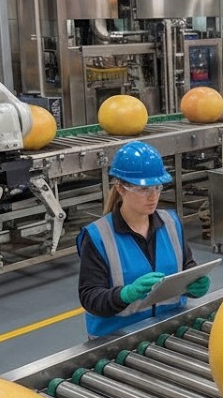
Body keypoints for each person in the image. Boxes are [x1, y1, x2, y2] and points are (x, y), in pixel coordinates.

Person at [77, 141, 210, 337]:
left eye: (157, 187)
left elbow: (186, 265)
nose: (153, 197)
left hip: (168, 330)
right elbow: (90, 297)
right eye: (143, 189)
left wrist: (193, 283)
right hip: (117, 340)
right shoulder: (99, 236)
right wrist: (125, 294)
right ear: (120, 188)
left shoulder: (171, 223)